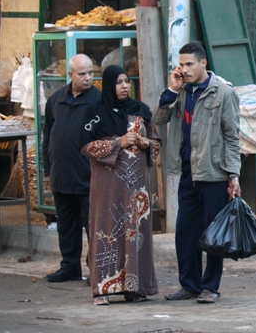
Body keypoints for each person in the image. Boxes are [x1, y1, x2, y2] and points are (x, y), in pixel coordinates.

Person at [154, 42, 241, 304]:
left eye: (190, 64)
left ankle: (210, 287)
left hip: (214, 174)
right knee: (185, 232)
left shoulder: (223, 93)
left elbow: (232, 137)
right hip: (187, 172)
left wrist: (233, 176)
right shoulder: (181, 92)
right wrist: (172, 89)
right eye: (181, 64)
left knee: (212, 234)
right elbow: (158, 120)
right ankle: (189, 284)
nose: (185, 69)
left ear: (204, 63)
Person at [81, 66, 160, 305]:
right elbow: (86, 146)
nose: (125, 86)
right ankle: (102, 289)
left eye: (126, 81)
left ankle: (135, 288)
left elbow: (156, 144)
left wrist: (146, 142)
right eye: (118, 82)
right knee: (107, 229)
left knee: (136, 231)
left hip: (137, 188)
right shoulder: (95, 113)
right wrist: (119, 142)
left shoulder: (140, 110)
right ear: (107, 86)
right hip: (108, 187)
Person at [41, 54, 101, 283]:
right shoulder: (56, 100)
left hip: (88, 177)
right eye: (82, 74)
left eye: (91, 73)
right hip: (62, 175)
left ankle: (96, 268)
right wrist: (49, 167)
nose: (88, 78)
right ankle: (69, 266)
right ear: (70, 75)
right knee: (66, 225)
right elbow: (48, 135)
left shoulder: (98, 100)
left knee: (93, 226)